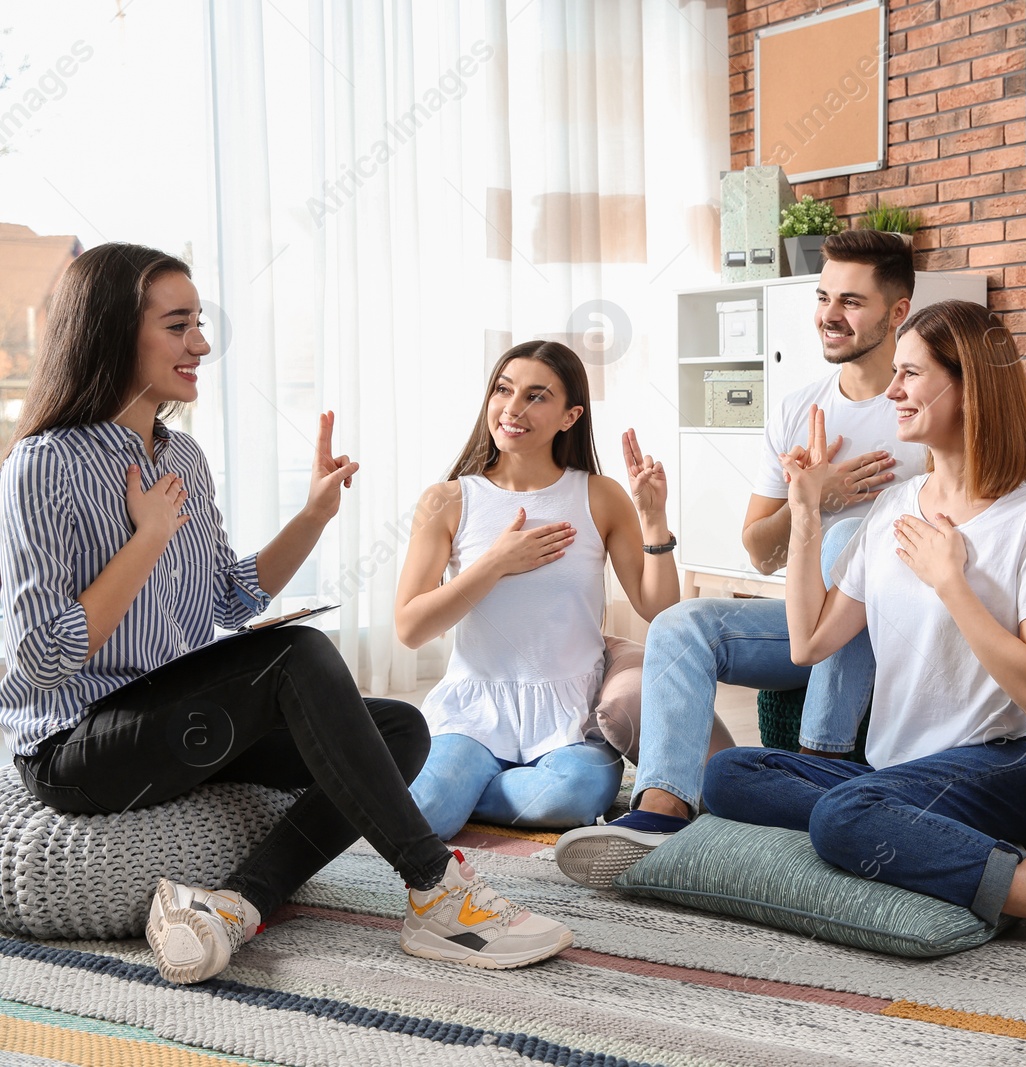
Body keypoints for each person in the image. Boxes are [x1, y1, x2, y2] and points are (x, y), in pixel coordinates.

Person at [0, 243, 570, 985]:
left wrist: (313, 515)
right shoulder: (45, 463)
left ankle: (239, 903)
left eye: (198, 323)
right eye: (178, 325)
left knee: (400, 728)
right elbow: (40, 657)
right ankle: (437, 888)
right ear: (112, 330)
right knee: (298, 654)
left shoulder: (184, 459)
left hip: (166, 726)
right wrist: (146, 541)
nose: (201, 343)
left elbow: (227, 597)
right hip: (76, 746)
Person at [697, 300, 1026, 933]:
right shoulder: (895, 504)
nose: (891, 390)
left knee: (843, 817)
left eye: (911, 375)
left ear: (970, 388)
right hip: (893, 772)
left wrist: (953, 583)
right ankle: (958, 858)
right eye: (895, 372)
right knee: (731, 773)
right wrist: (807, 514)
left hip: (1003, 768)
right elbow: (809, 644)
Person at [554, 229, 928, 885]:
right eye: (822, 297)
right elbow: (759, 549)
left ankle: (820, 762)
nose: (829, 315)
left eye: (852, 301)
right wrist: (814, 496)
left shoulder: (924, 405)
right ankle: (664, 808)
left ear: (898, 312)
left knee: (847, 545)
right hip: (809, 620)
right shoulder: (797, 407)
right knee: (679, 623)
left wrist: (844, 520)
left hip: (907, 618)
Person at [395, 341, 678, 840]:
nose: (512, 408)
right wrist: (496, 565)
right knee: (428, 816)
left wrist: (654, 520)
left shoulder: (599, 495)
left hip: (569, 710)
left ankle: (454, 791)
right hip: (475, 709)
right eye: (503, 390)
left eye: (535, 396)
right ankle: (457, 787)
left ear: (570, 416)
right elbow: (410, 628)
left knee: (572, 795)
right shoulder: (448, 500)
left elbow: (659, 608)